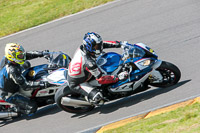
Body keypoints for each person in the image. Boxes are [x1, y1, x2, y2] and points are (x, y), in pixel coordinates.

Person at [67, 32, 128, 105]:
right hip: (77, 82)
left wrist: (120, 44)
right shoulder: (89, 63)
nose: (98, 47)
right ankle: (89, 99)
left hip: (83, 71)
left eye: (98, 45)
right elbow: (101, 79)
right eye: (96, 46)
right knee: (98, 97)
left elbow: (103, 44)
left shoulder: (85, 47)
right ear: (90, 46)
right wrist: (117, 77)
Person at [0, 43, 49, 115]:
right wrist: (41, 84)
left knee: (26, 63)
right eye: (19, 55)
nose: (22, 56)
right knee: (32, 108)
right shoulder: (13, 70)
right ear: (12, 56)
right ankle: (14, 109)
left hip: (8, 80)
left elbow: (26, 55)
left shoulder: (9, 58)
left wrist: (41, 53)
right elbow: (26, 86)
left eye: (21, 54)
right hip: (10, 94)